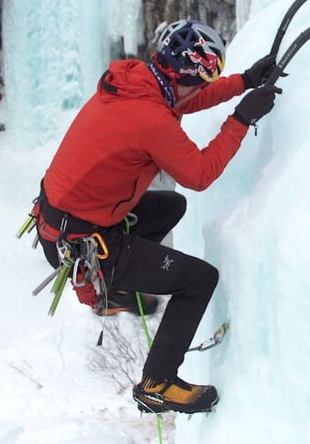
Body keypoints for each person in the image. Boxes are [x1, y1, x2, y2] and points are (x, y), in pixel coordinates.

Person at [30, 20, 282, 414]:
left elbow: (186, 101)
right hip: (85, 245)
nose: (199, 91)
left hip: (68, 224)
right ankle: (158, 383)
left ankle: (121, 287)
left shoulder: (141, 83)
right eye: (200, 82)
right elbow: (199, 174)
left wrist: (245, 81)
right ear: (186, 75)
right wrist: (240, 120)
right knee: (200, 280)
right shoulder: (149, 117)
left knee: (171, 206)